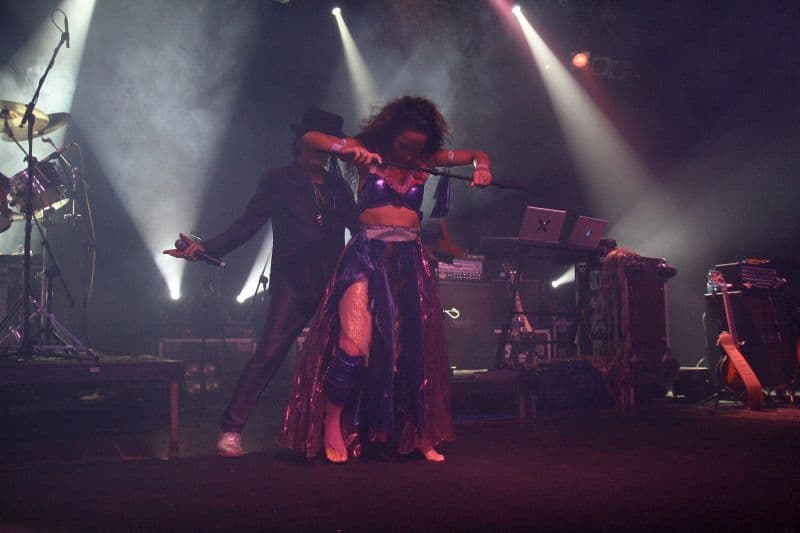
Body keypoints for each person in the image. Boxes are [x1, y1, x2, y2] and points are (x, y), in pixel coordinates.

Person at [278, 96, 492, 463]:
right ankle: (332, 422)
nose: (410, 153)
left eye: (416, 147)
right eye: (404, 145)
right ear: (390, 134)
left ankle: (419, 432)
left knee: (413, 349)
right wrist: (344, 149)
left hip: (409, 259)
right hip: (367, 256)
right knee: (352, 344)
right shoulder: (365, 151)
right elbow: (311, 138)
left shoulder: (427, 160)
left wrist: (482, 168)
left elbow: (476, 154)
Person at [163, 108, 381, 456]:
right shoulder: (279, 181)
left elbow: (359, 228)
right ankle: (231, 428)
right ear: (302, 143)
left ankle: (340, 429)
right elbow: (247, 225)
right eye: (318, 142)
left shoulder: (338, 186)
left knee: (347, 352)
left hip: (333, 279)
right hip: (292, 280)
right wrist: (205, 248)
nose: (321, 151)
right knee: (271, 351)